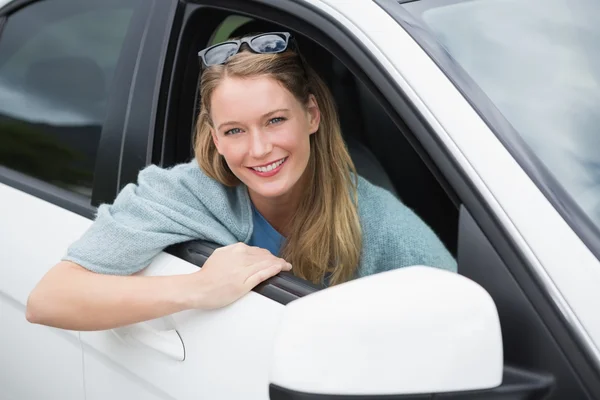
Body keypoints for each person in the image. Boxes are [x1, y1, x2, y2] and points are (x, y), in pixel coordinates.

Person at [26, 32, 456, 331]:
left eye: (274, 121)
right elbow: (49, 299)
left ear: (312, 114)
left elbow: (461, 323)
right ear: (214, 136)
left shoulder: (382, 223)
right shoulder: (184, 193)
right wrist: (198, 288)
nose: (258, 149)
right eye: (234, 130)